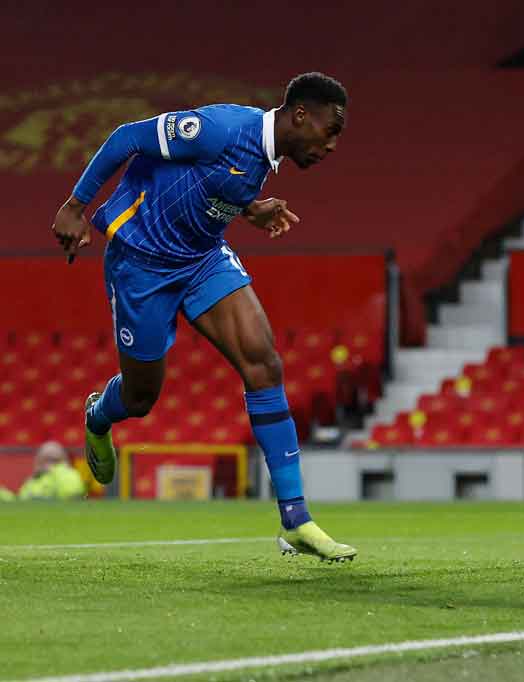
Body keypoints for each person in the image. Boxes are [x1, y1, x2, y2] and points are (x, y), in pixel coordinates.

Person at [50, 72, 355, 562]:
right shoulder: (221, 127)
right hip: (141, 261)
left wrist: (250, 210)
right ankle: (98, 415)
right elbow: (127, 137)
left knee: (264, 363)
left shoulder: (262, 159)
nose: (333, 145)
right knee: (141, 395)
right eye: (330, 130)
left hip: (202, 258)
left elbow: (210, 184)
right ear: (300, 116)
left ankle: (296, 517)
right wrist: (74, 206)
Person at [12, 441, 86, 501]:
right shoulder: (32, 481)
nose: (48, 465)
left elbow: (72, 493)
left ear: (64, 460)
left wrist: (59, 469)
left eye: (53, 460)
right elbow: (20, 501)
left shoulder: (69, 474)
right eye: (45, 459)